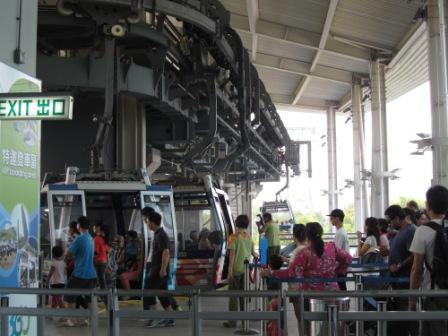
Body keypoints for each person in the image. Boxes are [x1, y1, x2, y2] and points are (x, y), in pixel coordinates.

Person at [261, 222, 352, 335]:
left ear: (307, 235)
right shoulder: (332, 247)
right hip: (332, 293)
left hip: (311, 296)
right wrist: (338, 271)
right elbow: (348, 258)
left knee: (309, 326)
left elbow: (291, 273)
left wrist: (270, 272)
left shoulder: (305, 252)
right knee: (330, 326)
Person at [410, 185, 448, 335]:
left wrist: (412, 299)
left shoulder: (423, 231)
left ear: (428, 205)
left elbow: (416, 269)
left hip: (434, 294)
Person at [385, 205, 417, 336]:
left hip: (405, 280)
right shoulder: (400, 232)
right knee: (400, 315)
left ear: (397, 218)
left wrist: (399, 265)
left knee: (407, 316)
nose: (390, 224)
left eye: (390, 221)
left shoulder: (411, 230)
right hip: (397, 280)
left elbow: (415, 254)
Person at [223, 214, 258, 328]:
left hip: (236, 269)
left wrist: (229, 269)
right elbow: (254, 253)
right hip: (246, 270)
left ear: (236, 223)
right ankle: (244, 321)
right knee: (243, 295)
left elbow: (232, 254)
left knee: (233, 296)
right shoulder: (248, 237)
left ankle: (232, 322)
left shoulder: (233, 236)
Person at [141, 208, 174, 328]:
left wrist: (163, 269)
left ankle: (157, 317)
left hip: (158, 270)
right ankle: (170, 319)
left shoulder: (161, 234)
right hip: (157, 269)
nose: (147, 223)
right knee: (162, 295)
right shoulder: (158, 233)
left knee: (148, 292)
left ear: (153, 222)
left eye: (148, 221)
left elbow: (166, 252)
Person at [62, 216, 97, 327]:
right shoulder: (90, 238)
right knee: (90, 298)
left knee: (68, 295)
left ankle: (71, 320)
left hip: (80, 273)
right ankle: (92, 320)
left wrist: (67, 254)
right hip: (91, 274)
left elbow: (67, 254)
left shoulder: (79, 238)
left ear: (79, 225)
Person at [329, 209, 350, 290]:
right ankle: (345, 302)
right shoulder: (342, 231)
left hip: (341, 266)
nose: (331, 220)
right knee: (342, 285)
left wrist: (333, 267)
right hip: (343, 265)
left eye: (332, 218)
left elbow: (337, 252)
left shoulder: (340, 233)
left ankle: (345, 302)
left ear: (337, 219)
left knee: (341, 287)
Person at [48, 246, 66, 311]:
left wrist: (47, 280)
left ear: (53, 254)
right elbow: (65, 273)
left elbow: (50, 273)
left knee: (59, 300)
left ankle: (64, 315)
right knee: (54, 299)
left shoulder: (54, 263)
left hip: (55, 283)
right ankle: (52, 313)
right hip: (62, 283)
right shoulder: (63, 263)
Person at [93, 221, 109, 289]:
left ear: (98, 228)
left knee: (101, 281)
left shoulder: (97, 238)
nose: (93, 228)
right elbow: (107, 251)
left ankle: (104, 297)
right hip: (104, 262)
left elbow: (95, 252)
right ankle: (104, 296)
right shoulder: (104, 238)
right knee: (102, 280)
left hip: (99, 262)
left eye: (94, 227)